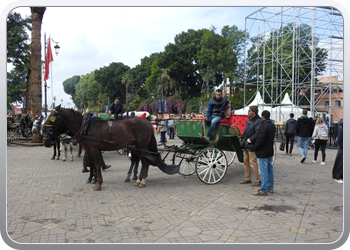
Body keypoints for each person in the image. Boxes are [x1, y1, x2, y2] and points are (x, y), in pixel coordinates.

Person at [253, 110, 276, 196]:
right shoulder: (272, 125)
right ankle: (270, 187)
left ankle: (263, 189)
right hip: (270, 149)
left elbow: (261, 138)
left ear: (262, 117)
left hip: (263, 150)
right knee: (270, 168)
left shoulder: (264, 126)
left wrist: (255, 147)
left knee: (263, 170)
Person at [240, 105, 262, 186]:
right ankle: (247, 178)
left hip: (251, 145)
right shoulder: (250, 120)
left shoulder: (258, 121)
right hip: (246, 144)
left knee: (253, 162)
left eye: (249, 111)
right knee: (246, 162)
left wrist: (251, 140)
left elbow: (257, 133)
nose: (248, 112)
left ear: (254, 112)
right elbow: (246, 131)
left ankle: (259, 180)